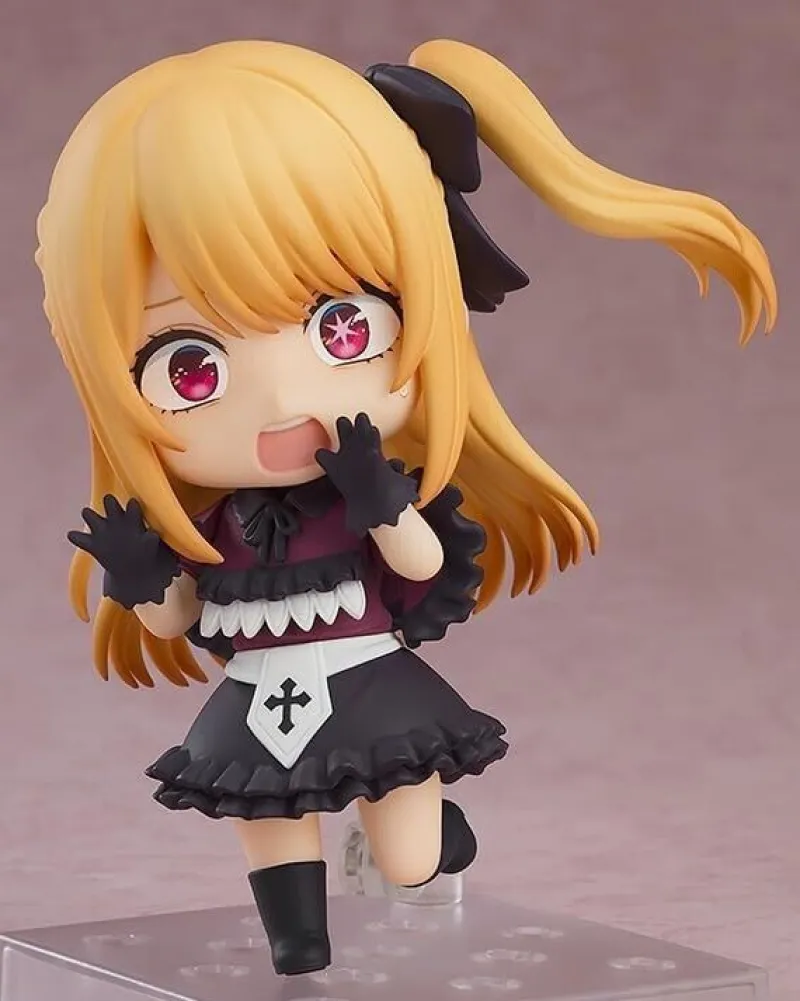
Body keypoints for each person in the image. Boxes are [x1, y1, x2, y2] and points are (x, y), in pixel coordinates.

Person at [35, 38, 777, 977]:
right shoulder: (218, 525)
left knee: (409, 857)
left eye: (341, 327)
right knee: (269, 814)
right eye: (191, 368)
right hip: (258, 693)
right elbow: (182, 618)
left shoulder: (353, 497)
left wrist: (383, 504)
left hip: (369, 682)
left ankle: (438, 844)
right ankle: (297, 938)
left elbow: (420, 565)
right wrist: (144, 575)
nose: (282, 400)